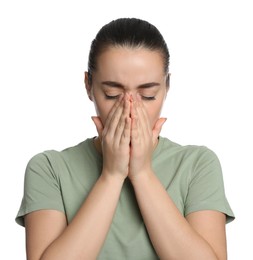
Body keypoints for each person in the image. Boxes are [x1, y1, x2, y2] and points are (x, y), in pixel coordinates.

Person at [16, 18, 234, 260]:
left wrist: (143, 174)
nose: (130, 109)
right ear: (88, 86)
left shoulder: (197, 164)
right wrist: (111, 175)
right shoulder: (49, 169)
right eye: (112, 94)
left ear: (166, 87)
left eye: (148, 95)